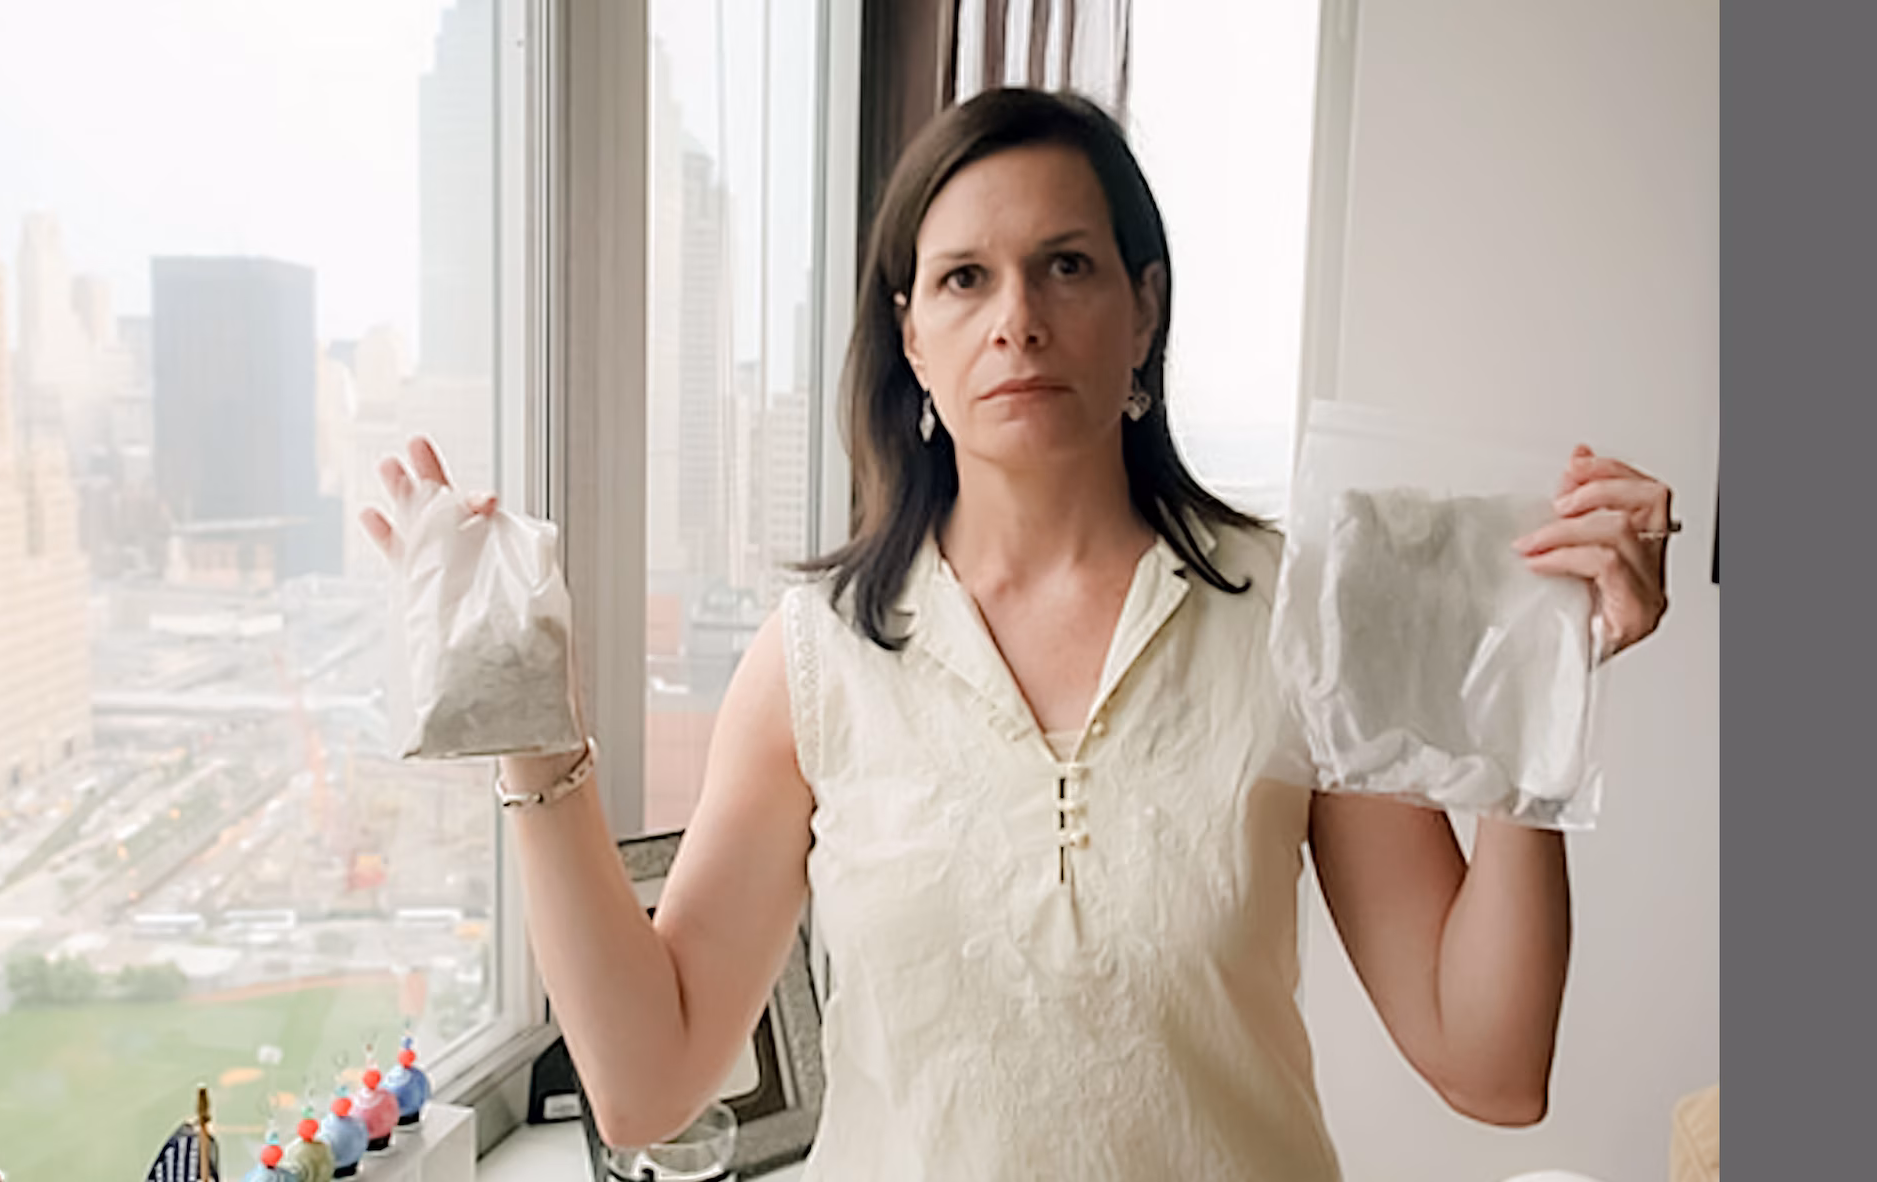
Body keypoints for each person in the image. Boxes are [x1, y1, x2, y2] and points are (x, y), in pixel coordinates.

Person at [361, 88, 1677, 1180]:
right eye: (965, 278)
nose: (1019, 318)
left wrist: (1527, 701)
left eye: (1067, 264)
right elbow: (650, 1082)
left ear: (1144, 307)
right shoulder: (816, 654)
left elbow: (1491, 1065)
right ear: (912, 337)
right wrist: (531, 737)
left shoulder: (1298, 615)